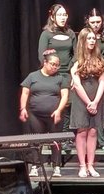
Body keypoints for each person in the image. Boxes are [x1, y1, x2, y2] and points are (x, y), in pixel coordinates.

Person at [19, 49, 69, 179]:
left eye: (57, 65)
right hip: (36, 115)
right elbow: (25, 93)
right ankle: (35, 165)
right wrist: (23, 108)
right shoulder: (33, 76)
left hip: (54, 115)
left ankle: (56, 166)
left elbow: (64, 95)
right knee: (36, 140)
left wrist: (58, 110)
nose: (55, 67)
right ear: (45, 63)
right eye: (53, 64)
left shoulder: (60, 78)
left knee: (56, 140)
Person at [69, 27, 104, 178]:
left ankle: (91, 165)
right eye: (89, 39)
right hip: (81, 100)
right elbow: (77, 84)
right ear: (83, 41)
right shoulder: (76, 61)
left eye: (93, 39)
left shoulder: (99, 60)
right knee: (82, 131)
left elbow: (103, 83)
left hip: (96, 100)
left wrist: (96, 102)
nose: (92, 41)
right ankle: (82, 166)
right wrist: (88, 102)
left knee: (93, 131)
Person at [85, 7, 104, 152]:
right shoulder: (85, 35)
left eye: (98, 21)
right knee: (92, 105)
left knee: (101, 104)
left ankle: (101, 139)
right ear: (88, 22)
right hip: (88, 73)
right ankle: (94, 139)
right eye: (93, 22)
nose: (96, 24)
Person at [37, 3, 76, 77]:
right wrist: (51, 69)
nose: (63, 18)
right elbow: (42, 56)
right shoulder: (46, 34)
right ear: (52, 17)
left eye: (64, 15)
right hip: (51, 73)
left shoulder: (71, 33)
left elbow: (76, 53)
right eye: (59, 15)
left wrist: (71, 67)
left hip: (68, 72)